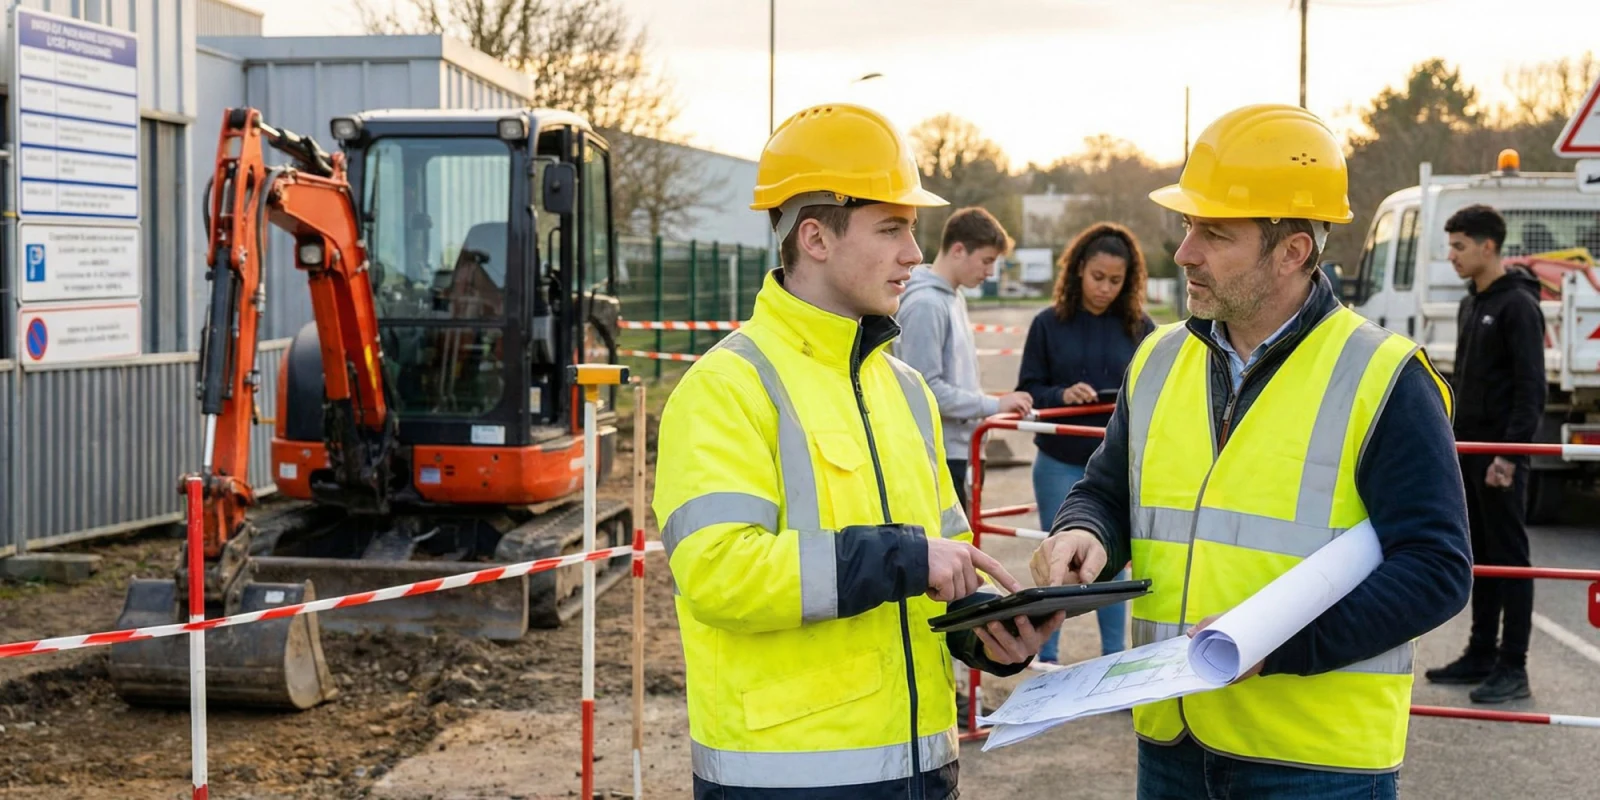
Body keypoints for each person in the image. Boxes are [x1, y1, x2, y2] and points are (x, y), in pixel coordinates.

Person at [1028, 104, 1473, 799]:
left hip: (1315, 764)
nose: (1184, 252)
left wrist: (1278, 644)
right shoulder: (1157, 359)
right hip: (1171, 745)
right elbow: (1106, 492)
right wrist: (1083, 531)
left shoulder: (1384, 375)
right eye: (1187, 225)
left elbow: (1437, 568)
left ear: (1292, 251)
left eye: (1214, 233)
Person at [653, 102, 1062, 800]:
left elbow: (944, 559)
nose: (913, 253)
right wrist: (902, 557)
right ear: (814, 237)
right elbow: (717, 572)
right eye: (892, 228)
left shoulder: (906, 391)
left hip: (921, 772)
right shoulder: (725, 386)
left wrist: (986, 632)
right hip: (786, 783)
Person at [1017, 222, 1156, 664]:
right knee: (1060, 563)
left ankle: (1114, 660)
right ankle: (1047, 661)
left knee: (1110, 567)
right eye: (1098, 277)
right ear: (1077, 271)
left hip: (1117, 469)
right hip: (1059, 462)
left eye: (1116, 281)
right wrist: (1061, 395)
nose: (1105, 289)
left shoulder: (1142, 329)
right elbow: (1029, 388)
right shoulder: (1046, 324)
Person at [1424, 203, 1546, 704]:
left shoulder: (1518, 306)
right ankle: (1480, 652)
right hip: (1469, 452)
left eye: (1459, 246)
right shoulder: (1471, 302)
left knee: (1511, 560)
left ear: (1487, 246)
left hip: (1501, 457)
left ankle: (1512, 667)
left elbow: (1529, 390)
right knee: (1482, 560)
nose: (1450, 255)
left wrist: (1510, 457)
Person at [895, 206, 1034, 512]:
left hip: (961, 448)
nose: (989, 272)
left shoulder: (952, 296)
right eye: (986, 261)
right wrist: (994, 405)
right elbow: (927, 388)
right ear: (958, 250)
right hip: (940, 453)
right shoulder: (927, 305)